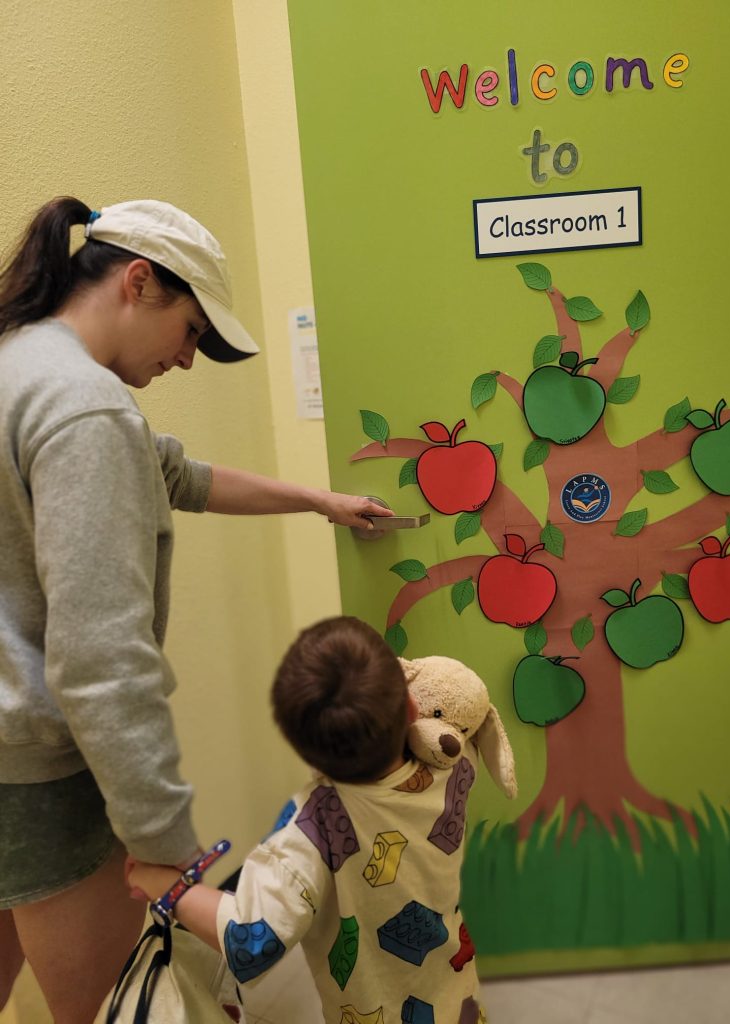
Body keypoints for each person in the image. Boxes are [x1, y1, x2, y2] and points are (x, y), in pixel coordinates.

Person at [0, 196, 391, 1024]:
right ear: (138, 282)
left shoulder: (20, 363)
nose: (186, 359)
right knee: (115, 1008)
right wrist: (167, 848)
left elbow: (179, 476)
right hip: (40, 778)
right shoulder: (86, 408)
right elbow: (102, 660)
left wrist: (319, 500)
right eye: (190, 332)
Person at [128, 615, 485, 1024]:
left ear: (305, 752)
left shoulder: (314, 827)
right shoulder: (456, 765)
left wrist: (168, 887)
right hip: (456, 994)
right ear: (410, 706)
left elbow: (250, 940)